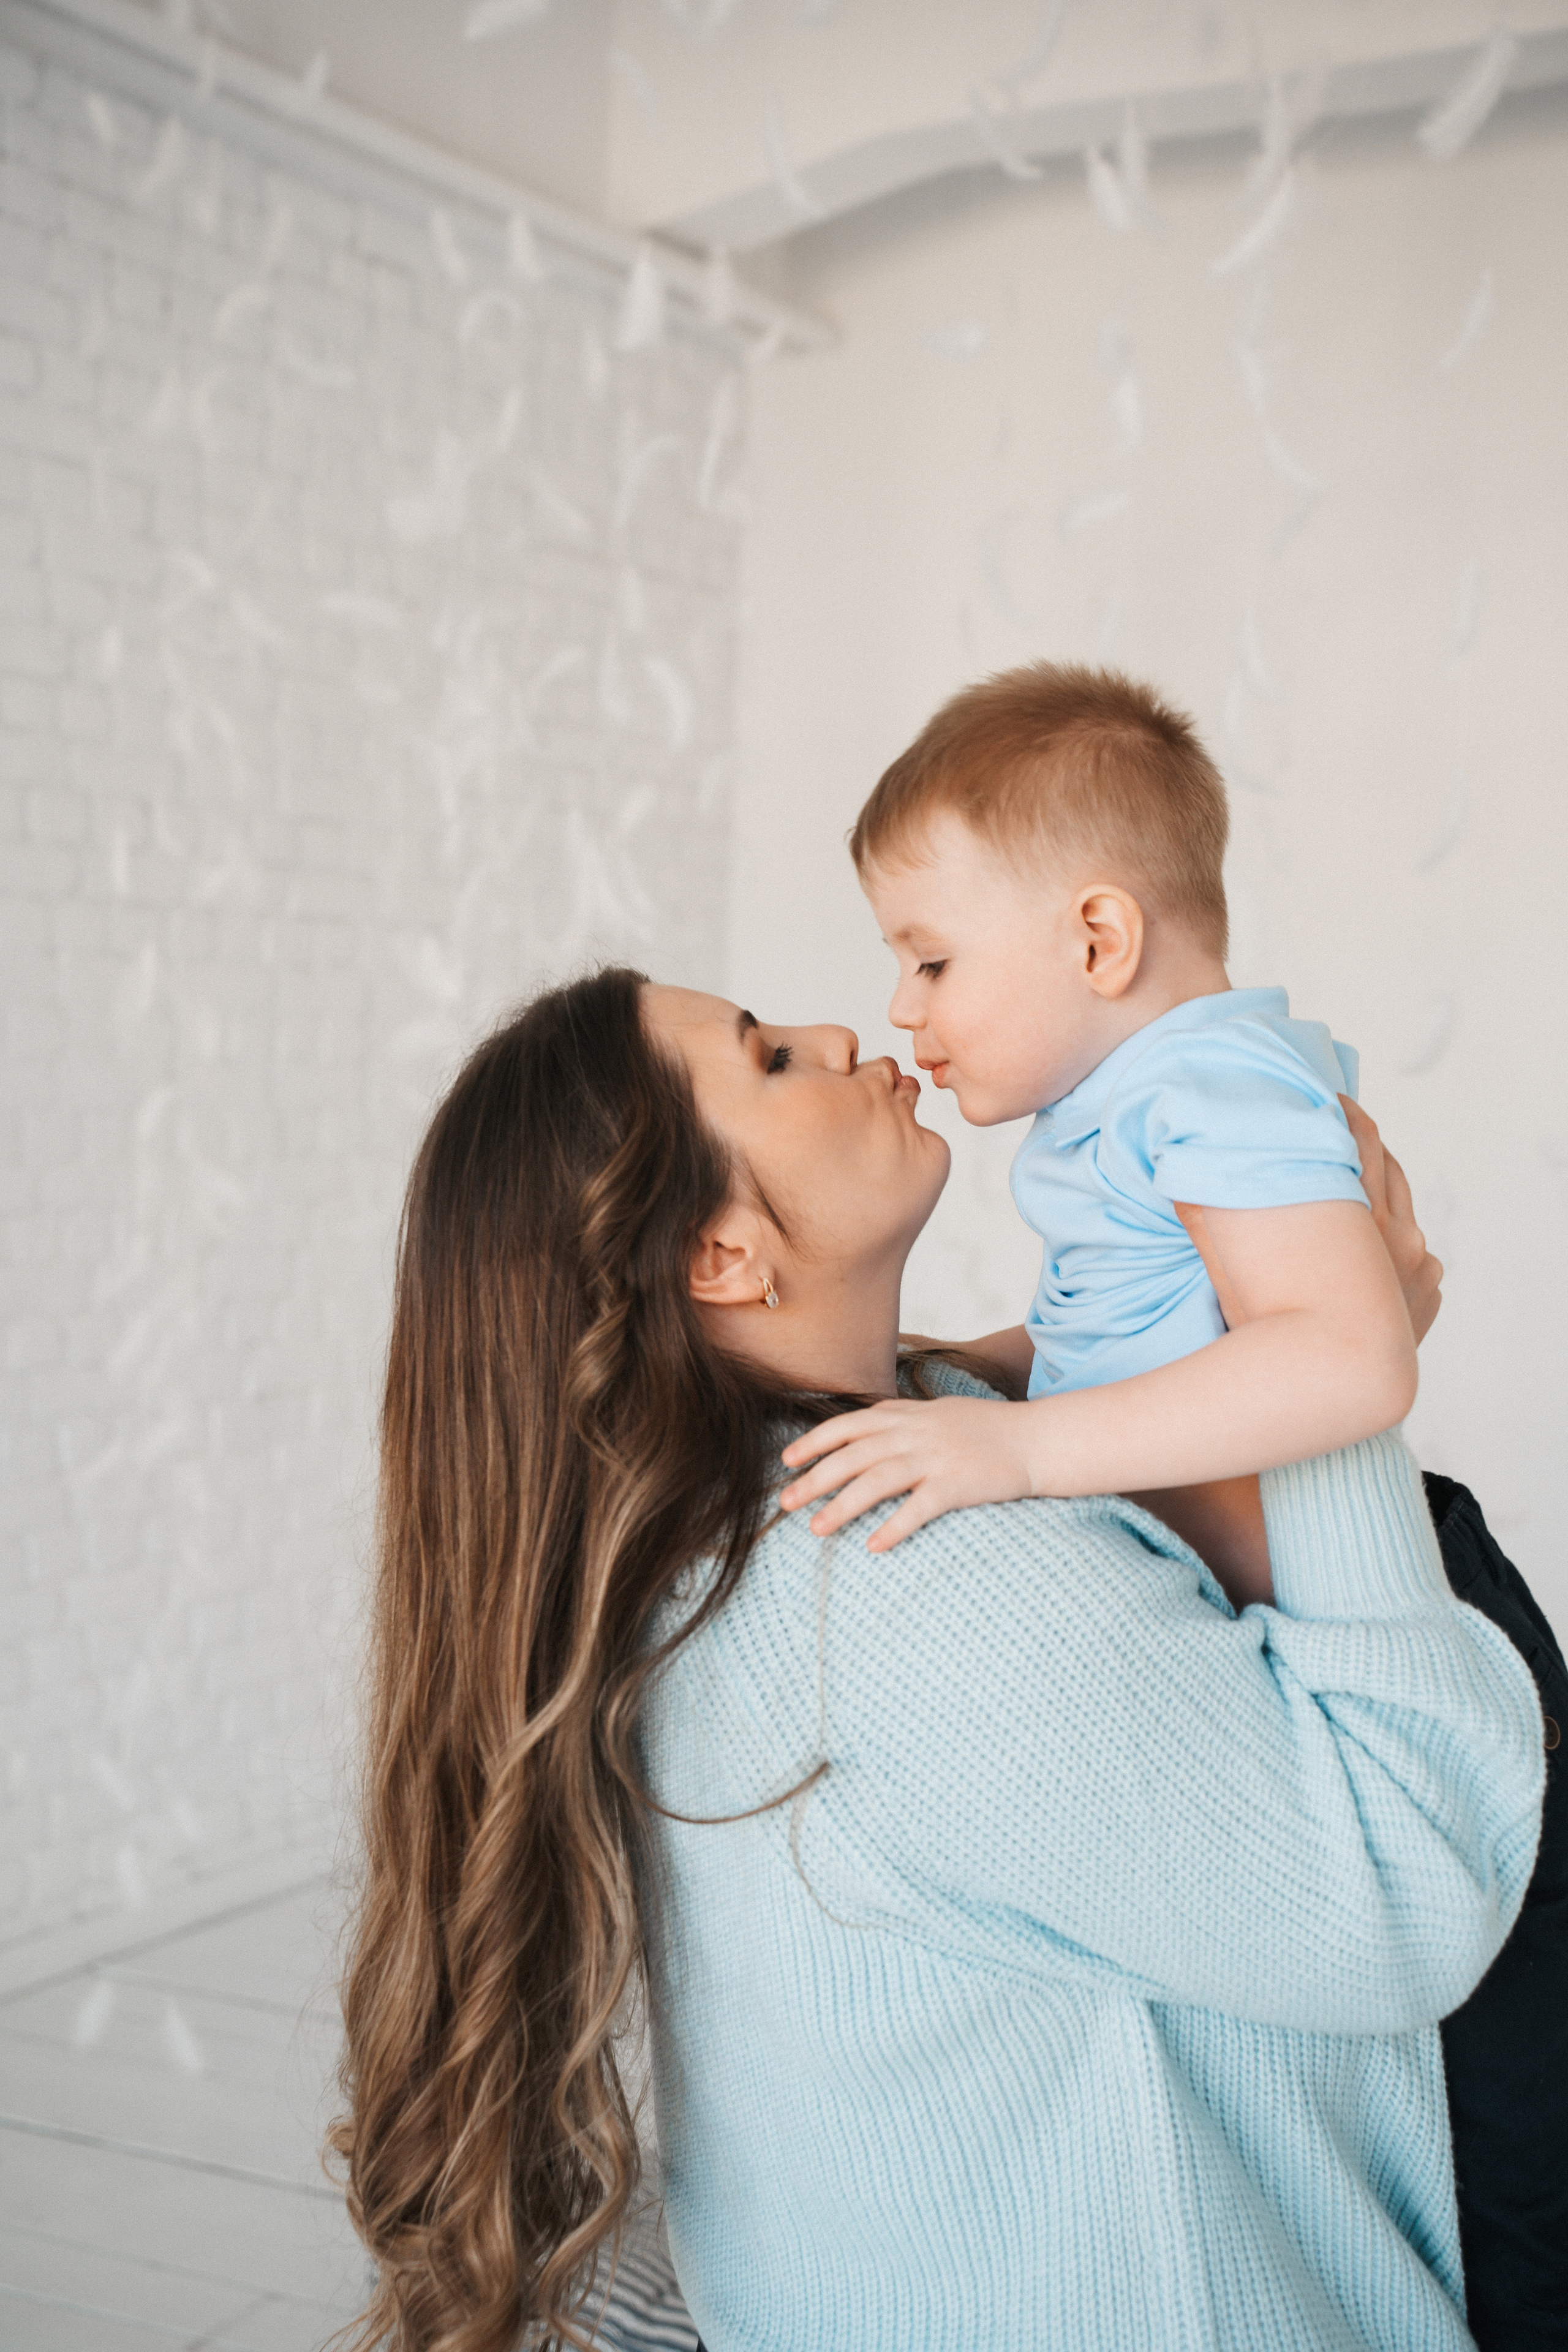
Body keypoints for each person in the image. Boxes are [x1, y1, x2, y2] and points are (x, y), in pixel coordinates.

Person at [328, 965, 1545, 2352]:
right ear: (720, 1255)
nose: (837, 1033)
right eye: (769, 1060)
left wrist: (1289, 1333)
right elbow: (1405, 1899)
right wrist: (1331, 1384)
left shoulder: (797, 1496)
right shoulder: (915, 1591)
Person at [778, 664, 1415, 1605]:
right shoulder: (1135, 1103)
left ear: (1098, 942)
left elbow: (1356, 1361)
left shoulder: (1217, 1087)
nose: (902, 1007)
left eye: (933, 961)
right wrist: (956, 1372)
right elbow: (1141, 1331)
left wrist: (1021, 1448)